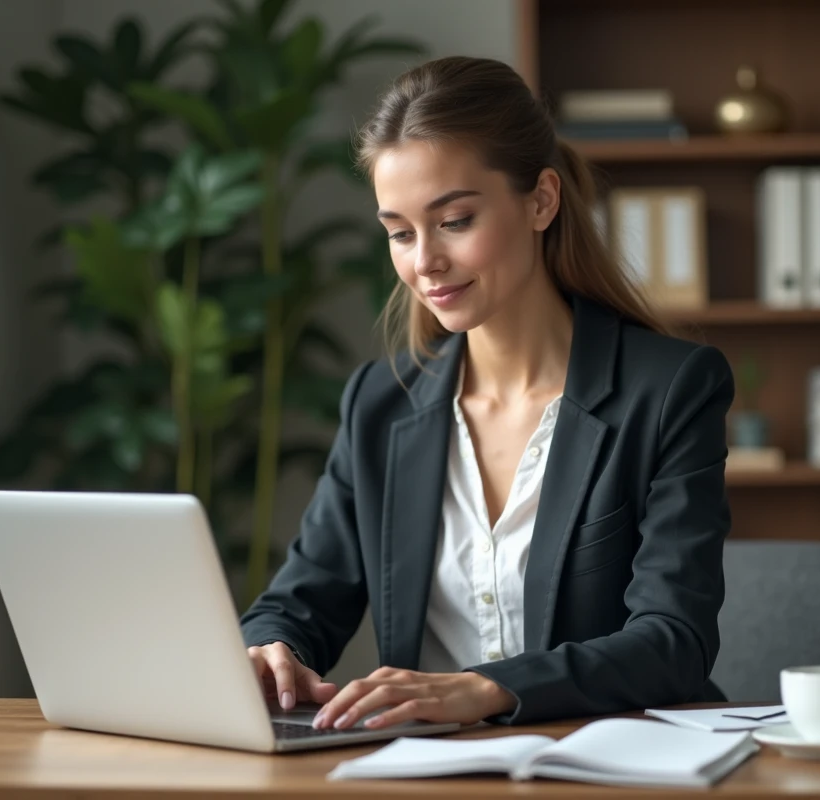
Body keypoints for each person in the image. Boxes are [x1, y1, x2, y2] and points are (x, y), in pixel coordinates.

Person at [240, 55, 733, 731]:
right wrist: (273, 650)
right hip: (431, 766)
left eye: (455, 220)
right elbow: (301, 600)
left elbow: (673, 641)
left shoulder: (670, 389)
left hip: (614, 761)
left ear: (542, 201)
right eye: (400, 233)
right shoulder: (380, 404)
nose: (425, 262)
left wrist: (487, 689)